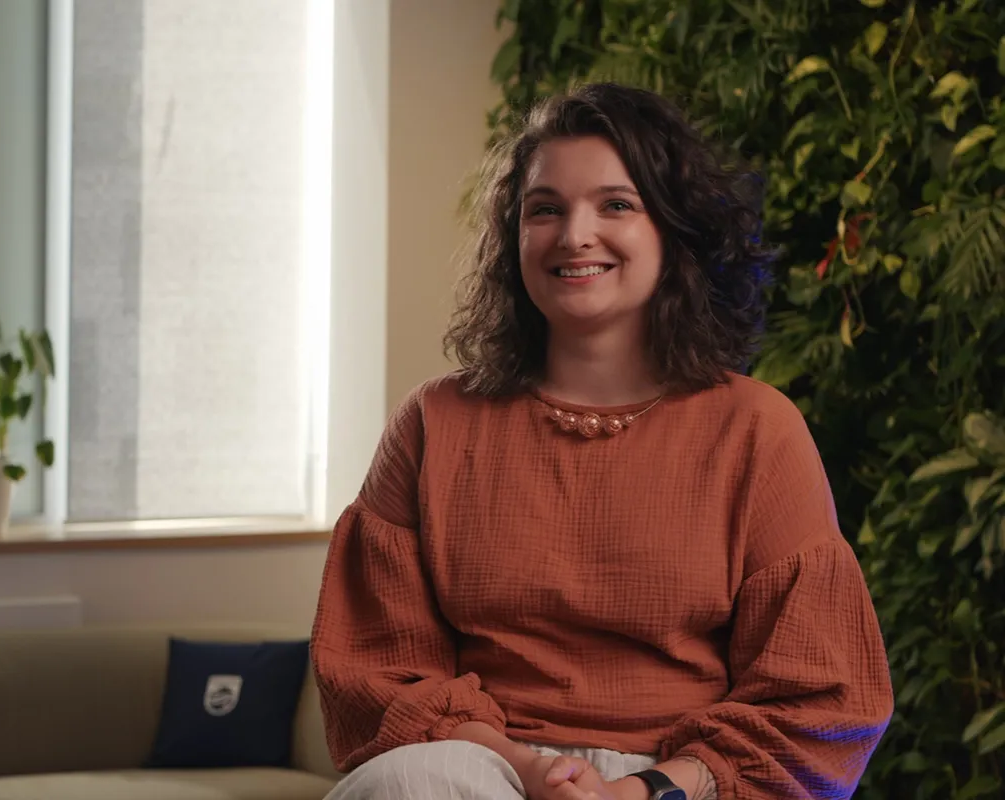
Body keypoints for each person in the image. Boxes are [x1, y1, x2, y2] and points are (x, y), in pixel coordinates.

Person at [310, 82, 894, 800]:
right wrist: (530, 770)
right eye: (544, 209)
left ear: (672, 233)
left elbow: (818, 695)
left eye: (615, 204)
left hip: (685, 778)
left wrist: (645, 789)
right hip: (480, 766)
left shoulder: (758, 429)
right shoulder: (433, 422)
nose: (573, 234)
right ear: (514, 238)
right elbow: (378, 667)